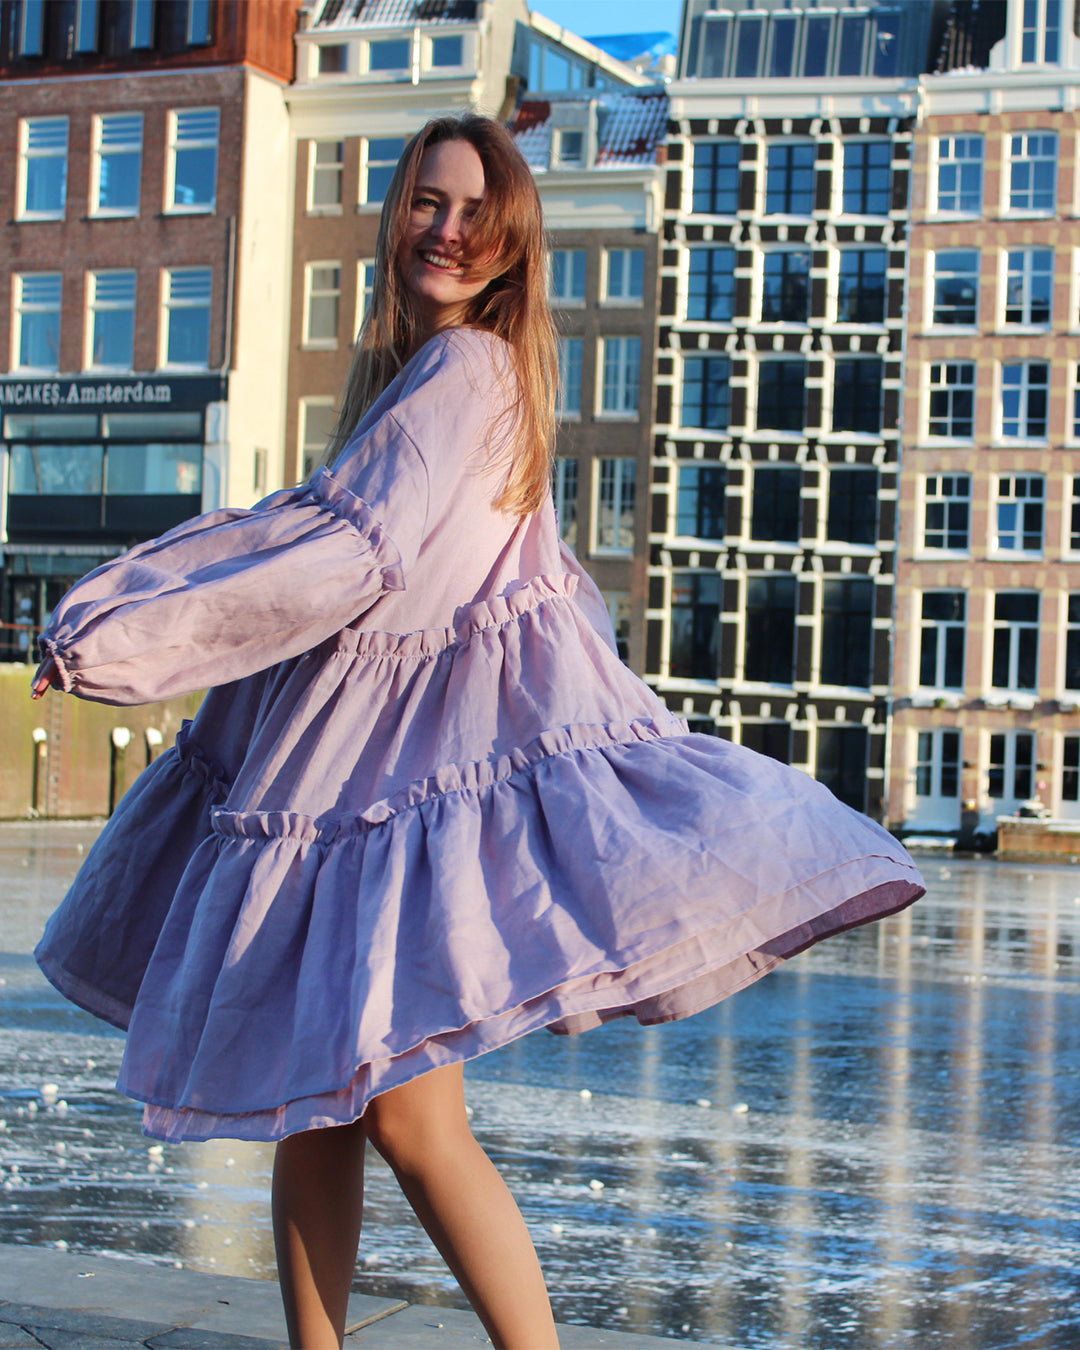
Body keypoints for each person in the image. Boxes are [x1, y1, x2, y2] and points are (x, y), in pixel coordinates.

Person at [31, 114, 924, 1350]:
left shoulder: (468, 372)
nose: (447, 231)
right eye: (426, 204)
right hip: (358, 782)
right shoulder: (447, 376)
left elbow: (350, 552)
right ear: (395, 215)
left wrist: (124, 629)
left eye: (474, 213)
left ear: (511, 246)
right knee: (325, 1108)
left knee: (401, 1120)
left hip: (383, 788)